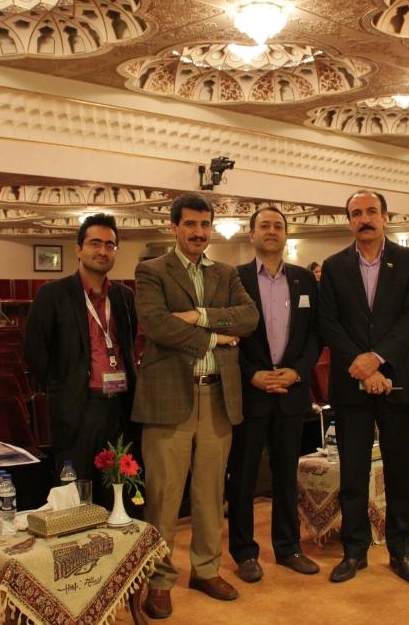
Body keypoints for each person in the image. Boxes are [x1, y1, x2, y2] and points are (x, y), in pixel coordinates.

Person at [134, 192, 259, 620]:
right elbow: (157, 324)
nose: (199, 232)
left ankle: (206, 570)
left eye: (205, 225)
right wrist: (215, 337)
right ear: (174, 227)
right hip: (169, 397)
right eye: (190, 224)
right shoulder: (152, 271)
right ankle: (158, 581)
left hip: (218, 397)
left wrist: (199, 315)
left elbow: (249, 317)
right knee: (163, 497)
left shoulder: (226, 273)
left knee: (210, 494)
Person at [317, 189, 409, 584]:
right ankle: (354, 551)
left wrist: (378, 358)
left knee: (399, 471)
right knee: (352, 472)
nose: (364, 219)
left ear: (385, 217)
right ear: (349, 220)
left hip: (395, 381)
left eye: (371, 212)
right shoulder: (334, 267)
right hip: (351, 384)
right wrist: (363, 367)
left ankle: (401, 551)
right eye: (356, 213)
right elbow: (328, 322)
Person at [228, 206, 322, 583]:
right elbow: (228, 336)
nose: (271, 231)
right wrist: (252, 375)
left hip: (290, 392)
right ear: (251, 235)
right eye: (264, 226)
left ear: (286, 234)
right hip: (251, 392)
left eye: (278, 226)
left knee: (286, 475)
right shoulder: (234, 278)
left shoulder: (304, 279)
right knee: (244, 476)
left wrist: (297, 372)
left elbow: (315, 334)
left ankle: (288, 548)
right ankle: (244, 552)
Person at [24, 213, 138, 506]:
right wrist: (66, 384)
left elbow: (129, 342)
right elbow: (35, 353)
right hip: (78, 408)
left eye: (110, 245)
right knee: (75, 497)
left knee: (117, 492)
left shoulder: (124, 296)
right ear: (78, 249)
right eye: (95, 243)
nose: (103, 251)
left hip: (120, 408)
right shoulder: (53, 294)